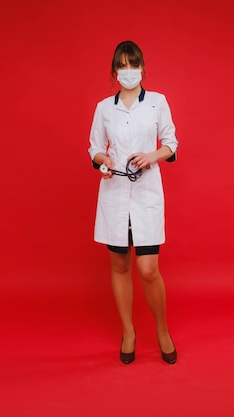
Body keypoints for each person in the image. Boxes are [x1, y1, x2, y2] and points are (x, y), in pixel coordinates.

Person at [88, 40, 179, 365]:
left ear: (142, 68)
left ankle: (163, 330)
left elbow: (170, 142)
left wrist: (150, 156)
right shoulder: (103, 107)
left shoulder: (157, 102)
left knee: (148, 268)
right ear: (115, 70)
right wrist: (104, 162)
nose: (129, 71)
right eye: (123, 65)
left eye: (134, 64)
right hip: (114, 192)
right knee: (120, 265)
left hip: (146, 193)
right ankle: (128, 331)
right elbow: (95, 147)